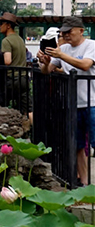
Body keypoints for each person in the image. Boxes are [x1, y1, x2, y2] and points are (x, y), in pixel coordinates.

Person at [37, 16, 95, 185]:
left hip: (92, 102)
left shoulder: (91, 45)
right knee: (77, 145)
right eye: (63, 32)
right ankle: (84, 184)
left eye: (69, 31)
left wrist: (61, 54)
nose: (66, 35)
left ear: (81, 31)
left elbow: (85, 65)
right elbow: (47, 71)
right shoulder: (63, 49)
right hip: (73, 104)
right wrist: (45, 62)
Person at [0, 12, 31, 116]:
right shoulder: (20, 39)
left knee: (2, 106)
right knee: (27, 108)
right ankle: (32, 131)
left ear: (8, 25)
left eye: (1, 23)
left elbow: (7, 61)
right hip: (23, 78)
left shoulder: (6, 41)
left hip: (12, 79)